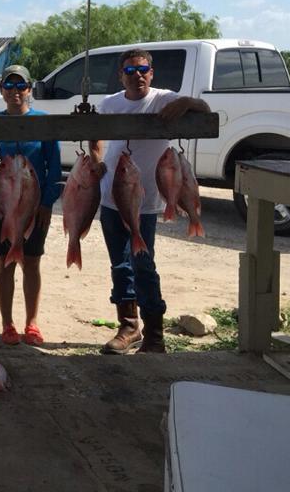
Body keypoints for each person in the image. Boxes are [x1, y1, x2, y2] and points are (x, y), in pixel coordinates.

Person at [90, 48, 211, 354]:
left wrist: (187, 102)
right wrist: (96, 160)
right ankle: (129, 328)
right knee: (120, 265)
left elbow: (205, 110)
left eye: (143, 70)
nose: (138, 76)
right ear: (121, 76)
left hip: (144, 202)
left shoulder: (165, 99)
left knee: (143, 265)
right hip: (111, 196)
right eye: (130, 71)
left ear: (151, 73)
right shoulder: (110, 103)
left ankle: (155, 334)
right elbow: (94, 135)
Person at [0, 64, 61, 346]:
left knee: (32, 263)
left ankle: (32, 322)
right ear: (1, 90)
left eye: (21, 85)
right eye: (9, 85)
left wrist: (47, 203)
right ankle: (7, 323)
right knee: (4, 264)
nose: (15, 91)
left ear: (30, 89)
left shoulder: (43, 122)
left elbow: (54, 167)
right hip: (1, 207)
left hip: (34, 207)